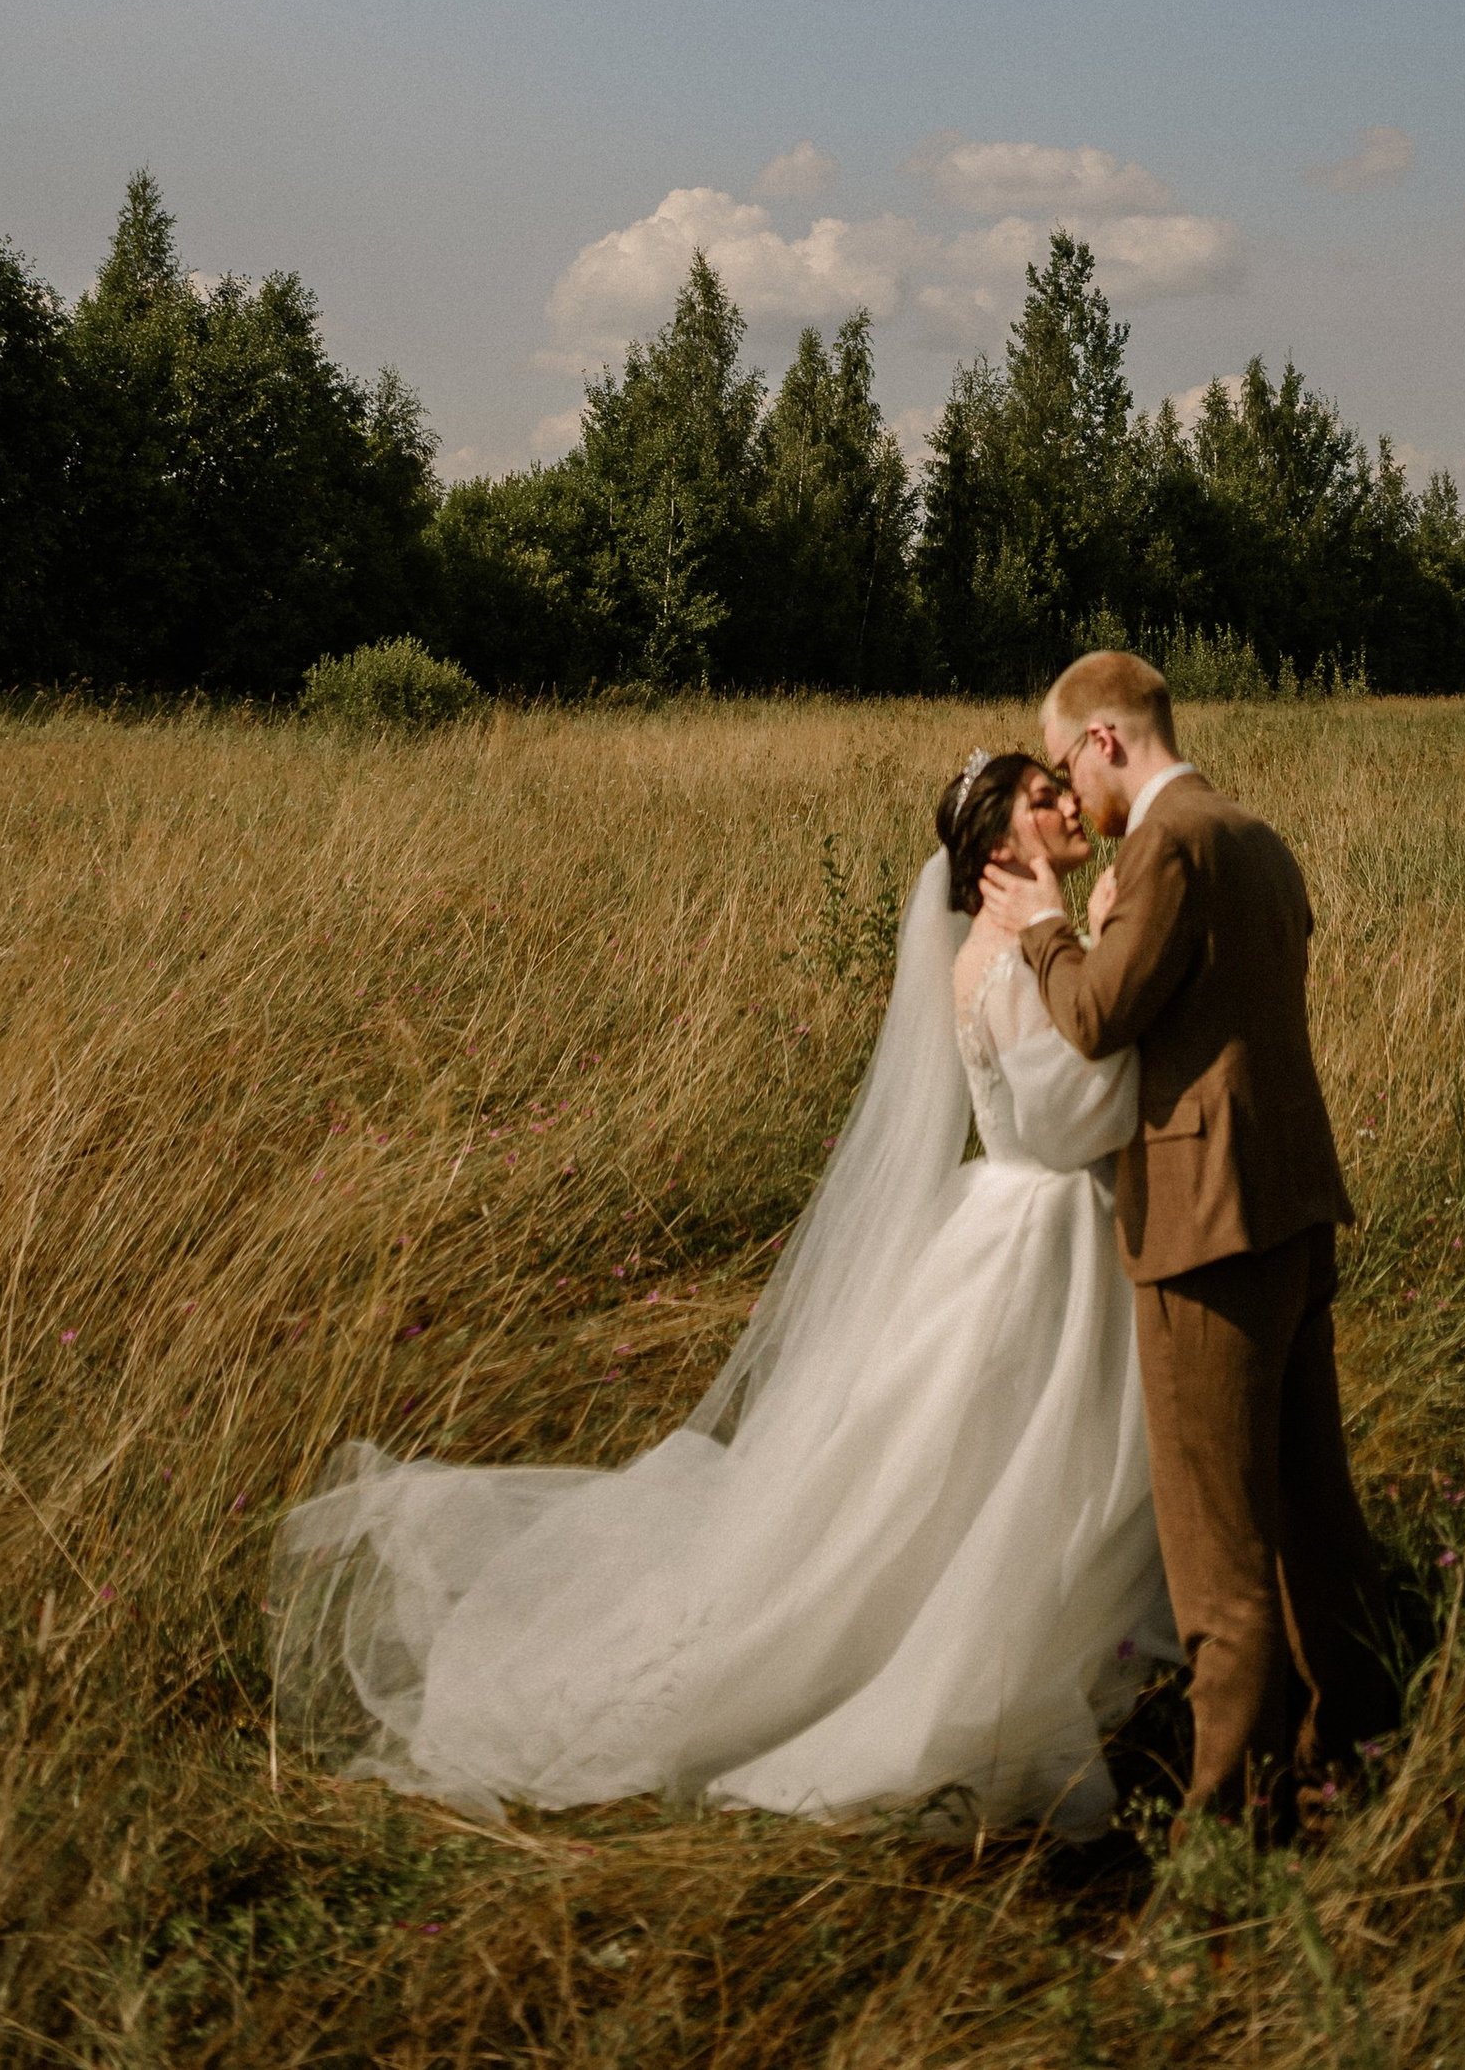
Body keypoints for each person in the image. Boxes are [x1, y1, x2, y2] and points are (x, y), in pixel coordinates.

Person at [268, 751, 1175, 1836]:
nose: (1068, 806)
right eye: (1041, 800)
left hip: (1038, 1229)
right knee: (990, 1473)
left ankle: (1066, 1648)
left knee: (1008, 1467)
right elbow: (1074, 1122)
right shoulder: (1003, 955)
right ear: (997, 850)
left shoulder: (1020, 946)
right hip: (1036, 1236)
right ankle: (949, 1673)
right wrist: (1107, 964)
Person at [978, 647, 1386, 1830]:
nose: (1071, 796)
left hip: (1207, 1227)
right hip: (1296, 1206)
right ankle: (1353, 1745)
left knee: (1218, 1551)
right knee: (1318, 1510)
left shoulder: (1167, 843)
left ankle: (1226, 1821)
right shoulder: (1256, 835)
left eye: (1065, 763)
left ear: (1105, 739)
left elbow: (1101, 1018)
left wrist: (1051, 929)